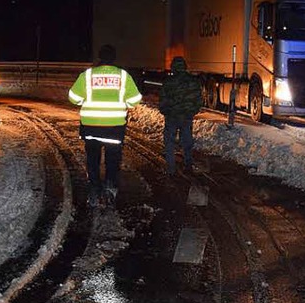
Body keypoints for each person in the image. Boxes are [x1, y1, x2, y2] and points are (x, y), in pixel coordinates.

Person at [68, 44, 142, 207]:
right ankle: (110, 187)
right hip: (114, 128)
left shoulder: (88, 75)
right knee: (112, 160)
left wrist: (85, 101)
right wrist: (123, 102)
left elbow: (73, 97)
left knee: (93, 159)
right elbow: (135, 99)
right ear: (114, 58)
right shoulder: (123, 76)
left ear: (99, 58)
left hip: (91, 126)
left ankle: (94, 188)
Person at [159, 56, 203, 175]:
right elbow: (198, 100)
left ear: (173, 67)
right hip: (186, 116)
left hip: (172, 116)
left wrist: (166, 111)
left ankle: (171, 168)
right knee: (187, 140)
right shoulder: (193, 81)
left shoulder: (168, 82)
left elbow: (162, 100)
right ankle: (188, 164)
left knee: (170, 142)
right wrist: (192, 111)